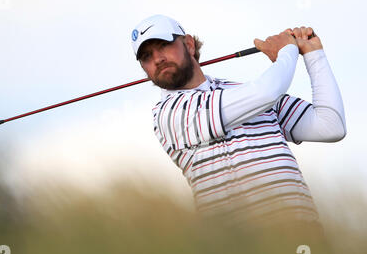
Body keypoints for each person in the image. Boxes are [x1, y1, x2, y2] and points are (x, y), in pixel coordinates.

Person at [130, 14, 346, 230]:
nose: (157, 59)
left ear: (188, 45)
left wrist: (314, 55)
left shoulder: (243, 94)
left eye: (163, 46)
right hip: (240, 245)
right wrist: (286, 51)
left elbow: (330, 126)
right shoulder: (169, 113)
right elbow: (267, 92)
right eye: (147, 56)